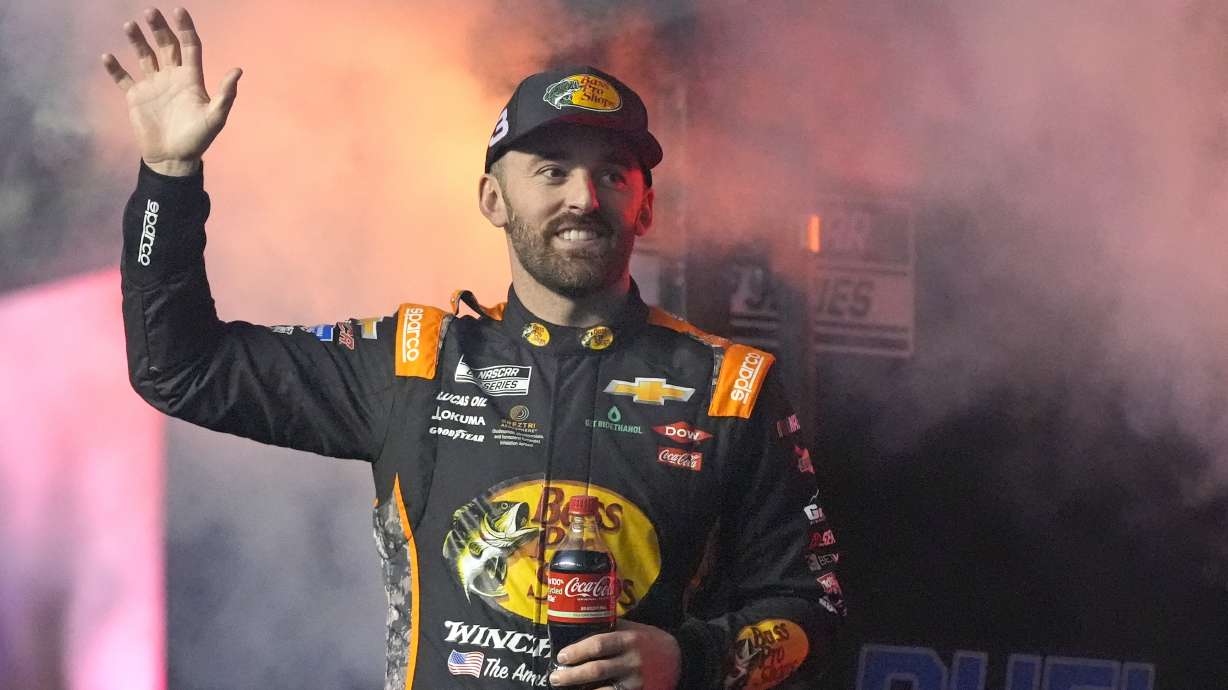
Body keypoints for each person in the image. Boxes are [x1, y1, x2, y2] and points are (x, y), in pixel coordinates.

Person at [102, 7, 846, 689]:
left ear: (644, 204)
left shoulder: (730, 384)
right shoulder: (415, 360)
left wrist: (693, 660)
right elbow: (180, 367)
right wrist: (169, 179)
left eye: (612, 175)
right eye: (552, 171)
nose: (584, 198)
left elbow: (813, 609)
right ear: (493, 199)